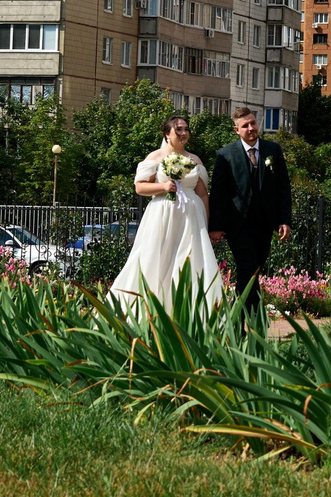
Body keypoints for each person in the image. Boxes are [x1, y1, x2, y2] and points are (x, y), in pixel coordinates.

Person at [110, 114, 229, 323]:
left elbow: (202, 194)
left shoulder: (195, 160)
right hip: (162, 214)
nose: (183, 133)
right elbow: (140, 187)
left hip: (191, 217)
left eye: (186, 129)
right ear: (167, 134)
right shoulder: (155, 157)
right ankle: (146, 312)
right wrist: (163, 187)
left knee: (189, 261)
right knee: (155, 259)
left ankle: (192, 316)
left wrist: (207, 223)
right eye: (178, 129)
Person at [207, 102, 294, 331]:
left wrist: (284, 220)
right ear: (237, 130)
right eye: (245, 126)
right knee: (250, 270)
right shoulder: (225, 155)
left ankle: (237, 325)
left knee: (251, 274)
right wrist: (215, 226)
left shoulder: (273, 150)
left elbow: (284, 187)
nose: (251, 128)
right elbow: (217, 193)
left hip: (265, 225)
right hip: (238, 226)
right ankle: (253, 326)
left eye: (253, 123)